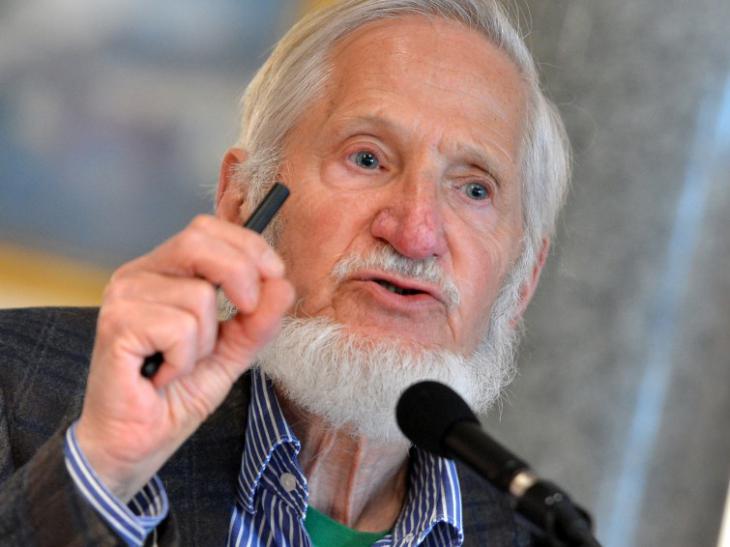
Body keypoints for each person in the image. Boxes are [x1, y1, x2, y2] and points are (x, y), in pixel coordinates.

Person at [0, 0, 571, 545]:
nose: (415, 234)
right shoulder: (18, 388)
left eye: (474, 190)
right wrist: (103, 472)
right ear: (241, 199)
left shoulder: (534, 535)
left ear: (522, 280)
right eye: (368, 158)